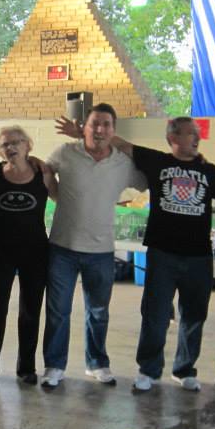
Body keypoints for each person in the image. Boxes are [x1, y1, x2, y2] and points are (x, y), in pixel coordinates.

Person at [106, 117, 215, 393]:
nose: (197, 138)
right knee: (155, 315)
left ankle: (184, 370)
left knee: (194, 315)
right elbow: (123, 145)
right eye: (191, 133)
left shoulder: (210, 171)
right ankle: (148, 370)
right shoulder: (157, 162)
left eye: (197, 134)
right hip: (162, 254)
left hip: (198, 257)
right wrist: (83, 131)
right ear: (173, 138)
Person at [42, 103, 146, 388]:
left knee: (98, 312)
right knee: (58, 311)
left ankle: (97, 363)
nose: (100, 129)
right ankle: (54, 365)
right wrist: (57, 194)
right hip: (62, 247)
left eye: (106, 124)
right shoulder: (65, 153)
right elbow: (45, 172)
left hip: (101, 251)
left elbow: (146, 181)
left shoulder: (123, 164)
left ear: (114, 130)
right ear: (83, 127)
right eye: (94, 124)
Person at [0, 126, 57, 386]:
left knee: (30, 311)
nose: (11, 147)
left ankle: (26, 368)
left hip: (35, 251)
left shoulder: (43, 174)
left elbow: (65, 198)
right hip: (2, 251)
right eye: (5, 144)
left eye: (16, 142)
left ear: (28, 145)